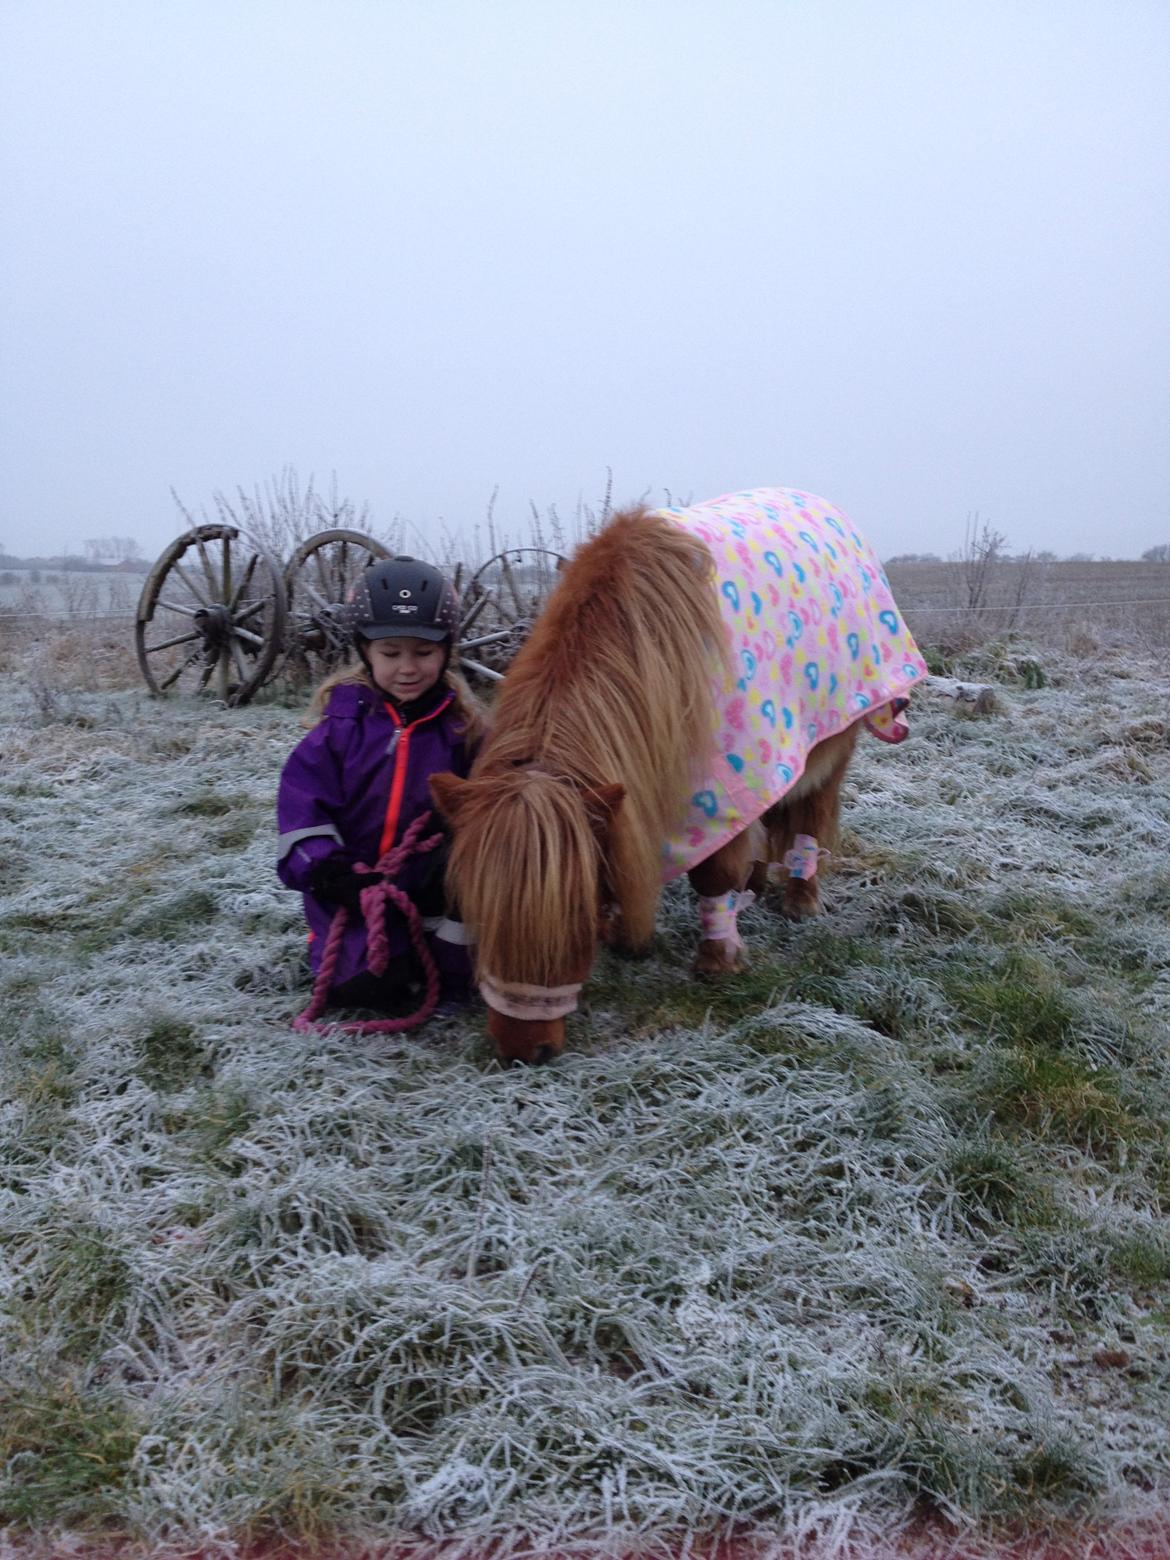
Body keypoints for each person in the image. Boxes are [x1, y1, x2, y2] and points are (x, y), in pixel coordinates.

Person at [276, 556, 485, 1013]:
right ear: (365, 652)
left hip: (434, 882)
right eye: (391, 653)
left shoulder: (462, 732)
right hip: (357, 885)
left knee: (457, 957)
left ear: (447, 652)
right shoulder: (337, 732)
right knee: (364, 989)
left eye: (424, 653)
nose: (407, 668)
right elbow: (301, 813)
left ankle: (453, 971)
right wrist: (330, 872)